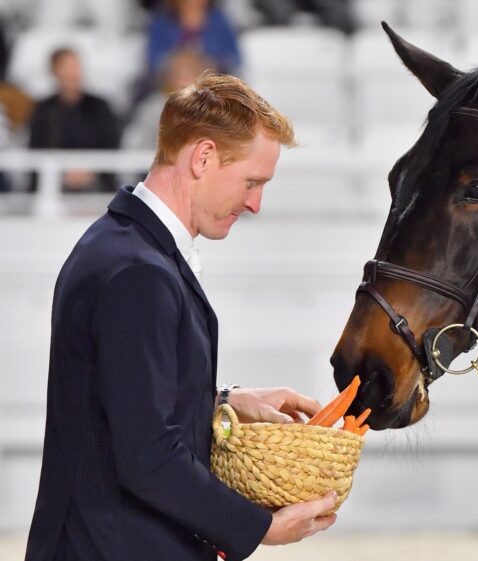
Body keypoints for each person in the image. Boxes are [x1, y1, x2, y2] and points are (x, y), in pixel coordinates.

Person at [25, 72, 337, 561]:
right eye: (252, 182)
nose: (255, 203)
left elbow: (122, 400)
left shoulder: (123, 247)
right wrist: (260, 528)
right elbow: (147, 455)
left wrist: (223, 400)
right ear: (204, 157)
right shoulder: (136, 271)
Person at [28, 47, 121, 192]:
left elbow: (111, 143)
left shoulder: (99, 106)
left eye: (76, 66)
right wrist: (63, 172)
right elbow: (37, 146)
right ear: (54, 71)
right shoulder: (44, 109)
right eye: (67, 67)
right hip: (55, 181)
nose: (73, 73)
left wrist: (90, 170)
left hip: (96, 180)